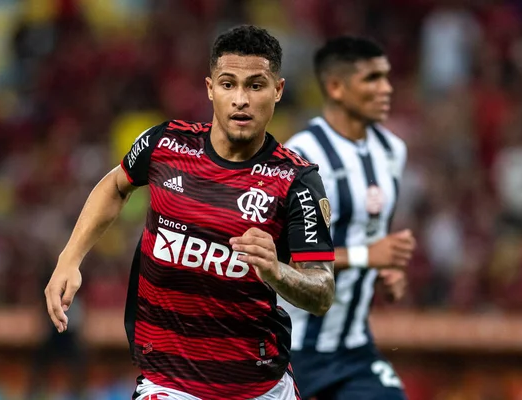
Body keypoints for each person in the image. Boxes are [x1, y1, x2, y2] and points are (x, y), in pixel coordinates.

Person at [44, 25, 336, 400]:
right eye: (228, 84)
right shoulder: (164, 144)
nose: (241, 99)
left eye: (256, 85)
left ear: (277, 91)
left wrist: (277, 271)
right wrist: (70, 258)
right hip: (169, 385)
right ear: (210, 88)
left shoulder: (296, 182)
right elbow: (116, 185)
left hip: (259, 387)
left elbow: (322, 290)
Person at [277, 36, 416, 400]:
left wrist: (389, 269)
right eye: (372, 79)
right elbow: (280, 257)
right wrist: (368, 257)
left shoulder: (391, 151)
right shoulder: (300, 157)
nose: (386, 88)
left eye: (387, 77)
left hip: (352, 347)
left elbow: (371, 234)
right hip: (288, 348)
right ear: (336, 87)